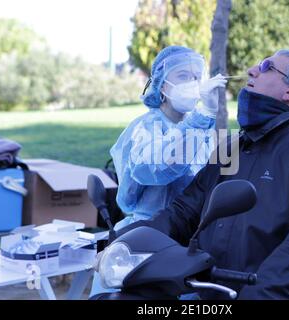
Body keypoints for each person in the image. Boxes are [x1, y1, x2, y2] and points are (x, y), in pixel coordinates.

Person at [110, 49, 289, 299]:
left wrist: (257, 296)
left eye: (266, 67)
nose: (252, 70)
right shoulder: (234, 146)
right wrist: (121, 243)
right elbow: (183, 212)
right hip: (213, 293)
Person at [89, 45, 226, 297]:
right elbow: (158, 167)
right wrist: (204, 115)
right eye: (183, 76)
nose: (194, 83)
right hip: (143, 238)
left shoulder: (204, 133)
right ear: (162, 85)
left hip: (187, 241)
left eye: (197, 76)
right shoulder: (145, 128)